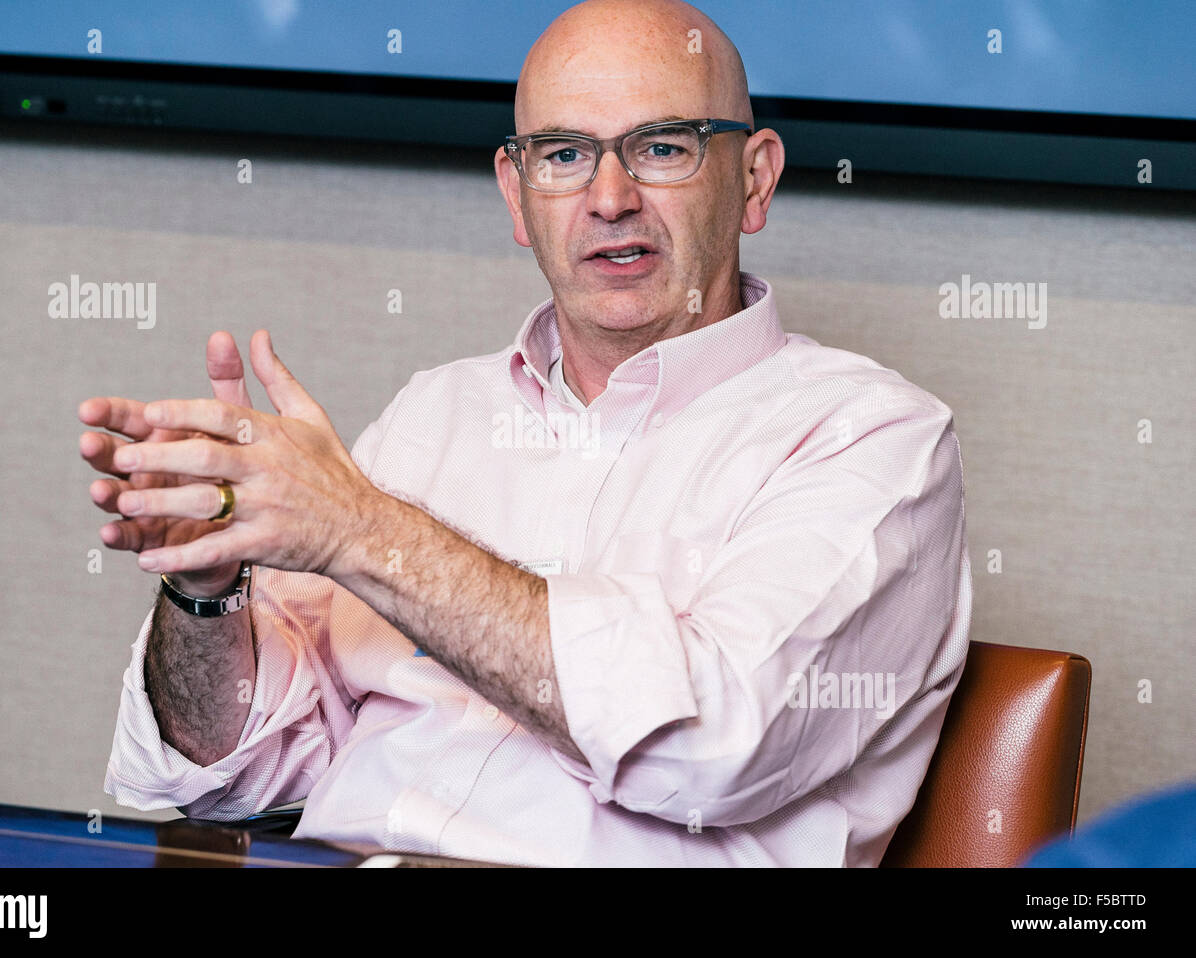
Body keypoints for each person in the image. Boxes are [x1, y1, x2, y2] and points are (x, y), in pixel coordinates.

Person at [79, 0, 971, 867]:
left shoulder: (871, 437)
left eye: (663, 147)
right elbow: (231, 782)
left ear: (755, 178)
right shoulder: (437, 414)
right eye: (563, 154)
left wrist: (365, 533)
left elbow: (711, 747)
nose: (610, 197)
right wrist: (207, 593)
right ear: (517, 193)